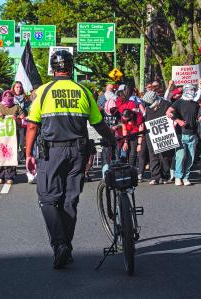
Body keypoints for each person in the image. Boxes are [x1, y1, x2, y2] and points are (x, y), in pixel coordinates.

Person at [25, 50, 116, 269]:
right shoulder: (83, 91)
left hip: (52, 153)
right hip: (78, 153)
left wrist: (28, 154)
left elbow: (32, 125)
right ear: (71, 67)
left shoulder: (43, 92)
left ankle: (60, 245)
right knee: (69, 200)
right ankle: (66, 246)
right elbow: (98, 123)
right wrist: (112, 139)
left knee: (47, 199)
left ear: (52, 68)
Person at [166, 84, 201, 186]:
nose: (193, 91)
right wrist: (178, 120)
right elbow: (168, 112)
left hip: (193, 134)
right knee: (180, 156)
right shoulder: (178, 102)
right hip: (180, 133)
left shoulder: (195, 104)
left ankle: (186, 177)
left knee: (190, 157)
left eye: (194, 89)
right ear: (186, 90)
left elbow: (199, 116)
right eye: (191, 89)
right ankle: (178, 177)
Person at [141, 91, 173, 185]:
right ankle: (155, 177)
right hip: (151, 133)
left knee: (165, 155)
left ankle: (165, 176)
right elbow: (144, 119)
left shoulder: (166, 104)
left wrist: (171, 115)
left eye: (148, 103)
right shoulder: (147, 108)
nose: (146, 104)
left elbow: (173, 114)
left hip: (164, 132)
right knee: (153, 155)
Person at [0, 91, 24, 184]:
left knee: (11, 154)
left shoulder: (16, 106)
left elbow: (23, 117)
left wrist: (17, 118)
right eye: (6, 95)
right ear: (3, 96)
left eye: (10, 95)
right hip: (0, 135)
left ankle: (9, 176)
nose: (8, 97)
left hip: (13, 136)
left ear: (13, 97)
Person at [12, 81, 31, 163]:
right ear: (13, 88)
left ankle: (20, 156)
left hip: (23, 123)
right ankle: (14, 158)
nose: (18, 89)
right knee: (14, 141)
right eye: (17, 87)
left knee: (22, 142)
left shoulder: (26, 98)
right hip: (14, 123)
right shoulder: (10, 98)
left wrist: (26, 116)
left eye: (20, 87)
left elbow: (29, 109)